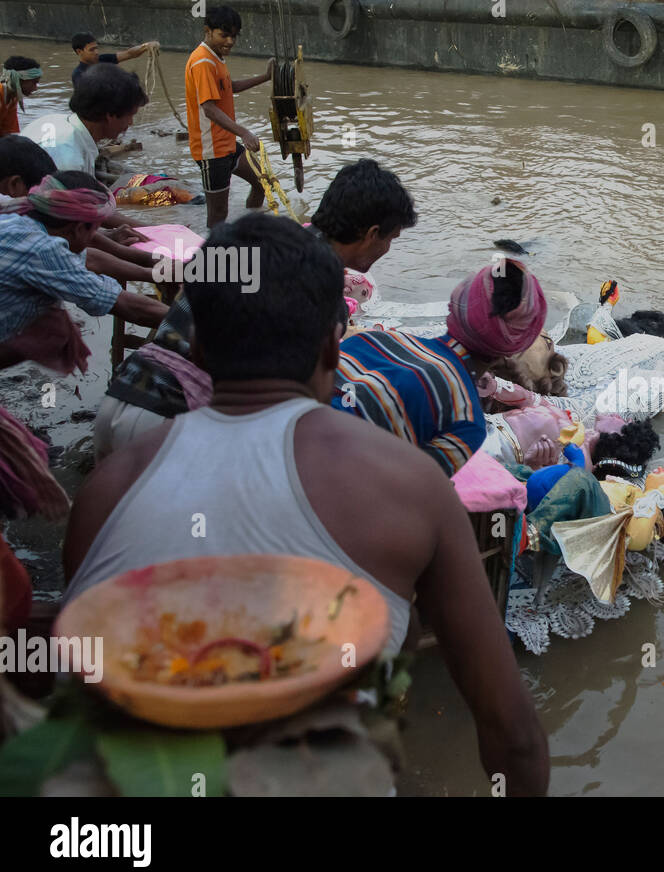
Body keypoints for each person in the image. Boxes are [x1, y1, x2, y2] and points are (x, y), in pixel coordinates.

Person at [62, 214, 549, 794]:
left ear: (194, 343)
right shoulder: (412, 486)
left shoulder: (106, 490)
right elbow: (512, 733)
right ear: (330, 346)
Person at [93, 159, 417, 459]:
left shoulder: (252, 239)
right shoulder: (321, 284)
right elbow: (298, 391)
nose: (387, 249)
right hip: (171, 419)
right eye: (391, 238)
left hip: (123, 395)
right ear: (372, 233)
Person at [334, 258, 548, 476]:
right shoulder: (465, 421)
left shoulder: (376, 341)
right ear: (514, 347)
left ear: (455, 303)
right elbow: (402, 490)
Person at [0, 170, 166, 373]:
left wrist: (153, 271)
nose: (96, 236)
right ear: (78, 229)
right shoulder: (43, 250)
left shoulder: (18, 220)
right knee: (54, 328)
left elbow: (90, 258)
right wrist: (201, 319)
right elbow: (128, 306)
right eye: (94, 230)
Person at [0, 135, 174, 286]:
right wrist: (155, 268)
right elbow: (88, 260)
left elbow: (74, 235)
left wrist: (155, 233)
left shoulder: (24, 212)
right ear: (14, 185)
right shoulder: (21, 229)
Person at [184, 6, 274, 228]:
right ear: (208, 31)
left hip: (227, 144)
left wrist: (267, 77)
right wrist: (244, 132)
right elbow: (209, 109)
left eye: (234, 36)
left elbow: (230, 87)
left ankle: (251, 229)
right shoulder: (203, 62)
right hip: (211, 150)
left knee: (263, 181)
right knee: (218, 215)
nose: (230, 41)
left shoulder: (215, 57)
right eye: (224, 35)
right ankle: (213, 258)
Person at [21, 62, 149, 201]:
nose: (130, 123)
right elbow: (69, 211)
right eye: (130, 115)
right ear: (110, 115)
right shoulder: (69, 157)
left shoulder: (56, 121)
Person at [70, 32, 158, 86]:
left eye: (96, 48)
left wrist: (146, 47)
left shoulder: (103, 59)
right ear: (79, 51)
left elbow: (129, 54)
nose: (96, 52)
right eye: (92, 50)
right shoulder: (78, 74)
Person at [1, 57, 42, 136]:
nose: (35, 88)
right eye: (34, 83)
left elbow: (9, 132)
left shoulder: (12, 97)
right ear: (17, 79)